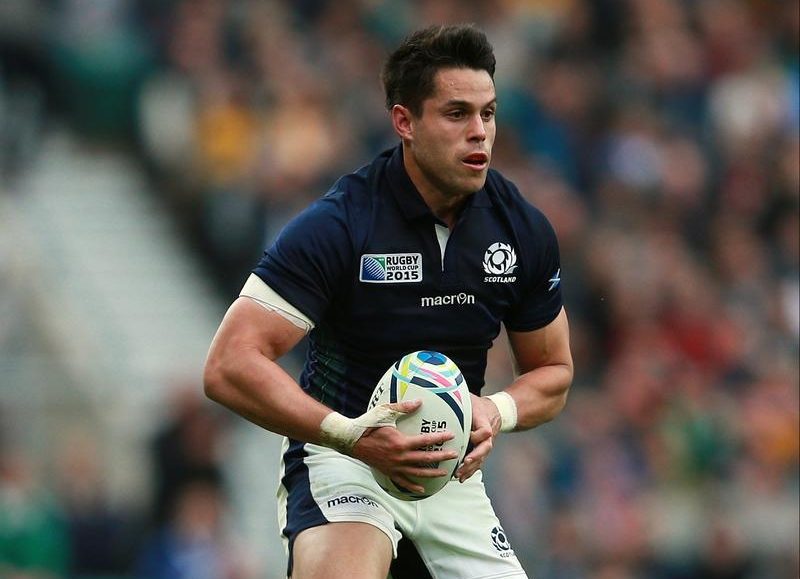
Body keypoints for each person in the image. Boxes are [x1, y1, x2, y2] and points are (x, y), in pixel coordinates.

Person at [204, 23, 573, 579]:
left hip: (449, 476)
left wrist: (495, 410)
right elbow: (229, 364)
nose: (479, 133)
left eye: (488, 114)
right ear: (405, 122)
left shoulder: (521, 228)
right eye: (456, 114)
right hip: (343, 460)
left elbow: (554, 372)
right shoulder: (340, 224)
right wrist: (350, 435)